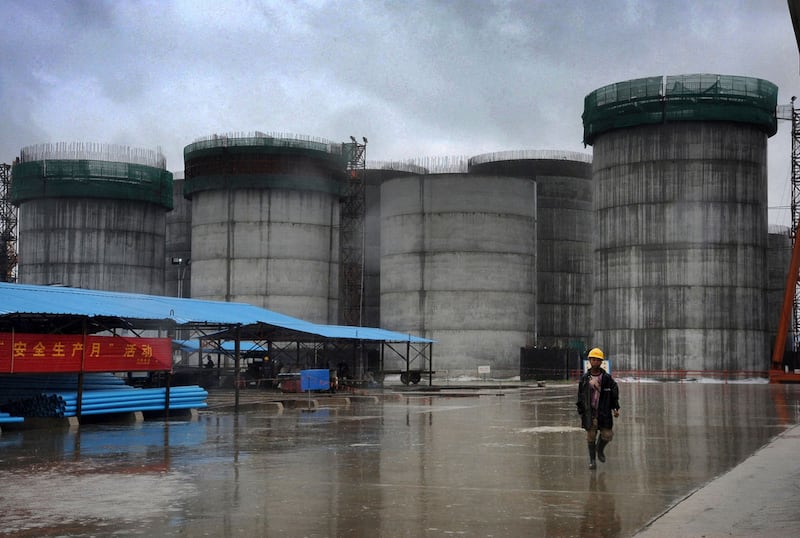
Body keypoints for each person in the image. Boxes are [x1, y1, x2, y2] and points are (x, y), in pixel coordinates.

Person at [576, 347, 620, 470]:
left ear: (601, 362)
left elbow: (614, 394)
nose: (595, 362)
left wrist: (615, 408)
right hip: (590, 413)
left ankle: (599, 449)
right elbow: (580, 396)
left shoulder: (607, 378)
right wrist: (581, 412)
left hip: (604, 412)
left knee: (607, 435)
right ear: (589, 360)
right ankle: (592, 460)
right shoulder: (585, 379)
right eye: (593, 359)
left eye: (598, 360)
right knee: (591, 436)